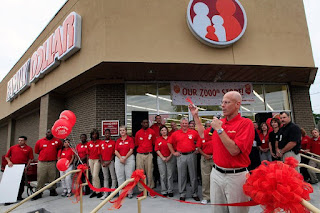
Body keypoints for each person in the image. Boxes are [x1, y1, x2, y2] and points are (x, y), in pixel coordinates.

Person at [190, 91, 254, 213]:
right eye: (222, 102)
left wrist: (219, 129)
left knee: (237, 211)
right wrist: (195, 116)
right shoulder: (220, 123)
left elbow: (234, 150)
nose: (223, 105)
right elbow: (203, 134)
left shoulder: (245, 123)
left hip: (236, 176)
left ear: (237, 104)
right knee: (217, 210)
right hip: (216, 173)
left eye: (227, 102)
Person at [167, 117, 200, 201]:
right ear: (180, 124)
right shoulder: (176, 133)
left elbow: (199, 140)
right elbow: (169, 143)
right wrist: (174, 153)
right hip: (181, 156)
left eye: (186, 123)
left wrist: (197, 149)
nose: (184, 125)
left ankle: (194, 193)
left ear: (188, 124)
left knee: (193, 175)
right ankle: (182, 193)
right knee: (182, 176)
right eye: (183, 123)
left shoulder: (193, 132)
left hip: (191, 155)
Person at [33, 129, 62, 200]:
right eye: (48, 132)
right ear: (46, 133)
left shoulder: (57, 141)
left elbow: (60, 149)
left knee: (53, 177)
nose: (50, 134)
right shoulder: (40, 141)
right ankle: (38, 192)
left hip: (52, 162)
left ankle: (53, 190)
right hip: (42, 163)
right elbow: (36, 151)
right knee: (41, 178)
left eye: (51, 132)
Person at [5, 136, 34, 202]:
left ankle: (19, 196)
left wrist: (27, 166)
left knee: (21, 183)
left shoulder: (29, 149)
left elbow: (30, 158)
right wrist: (9, 162)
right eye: (19, 140)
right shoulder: (13, 148)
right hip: (13, 167)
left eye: (21, 140)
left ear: (25, 141)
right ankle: (9, 198)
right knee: (12, 183)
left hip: (22, 167)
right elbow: (7, 156)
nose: (20, 142)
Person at [135, 119, 156, 198]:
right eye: (144, 123)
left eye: (147, 122)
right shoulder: (138, 133)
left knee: (150, 172)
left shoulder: (152, 132)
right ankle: (142, 190)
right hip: (140, 155)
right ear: (141, 123)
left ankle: (150, 189)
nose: (146, 124)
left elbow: (154, 143)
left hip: (149, 154)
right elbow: (136, 144)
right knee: (140, 173)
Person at [114, 125, 135, 198]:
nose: (122, 132)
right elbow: (116, 151)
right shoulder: (118, 140)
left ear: (126, 131)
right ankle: (122, 193)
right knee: (120, 176)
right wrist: (121, 158)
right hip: (119, 158)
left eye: (123, 130)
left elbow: (131, 150)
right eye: (120, 130)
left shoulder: (130, 139)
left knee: (129, 176)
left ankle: (129, 193)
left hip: (128, 158)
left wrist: (125, 158)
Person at [196, 124, 214, 204]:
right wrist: (205, 155)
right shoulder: (202, 136)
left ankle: (215, 197)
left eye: (210, 126)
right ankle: (206, 197)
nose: (208, 127)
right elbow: (199, 148)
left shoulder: (216, 134)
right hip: (205, 159)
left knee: (216, 179)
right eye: (206, 126)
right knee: (205, 178)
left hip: (215, 158)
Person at [155, 126, 174, 197]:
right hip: (161, 158)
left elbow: (173, 149)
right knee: (163, 175)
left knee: (170, 174)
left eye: (165, 130)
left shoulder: (170, 138)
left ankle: (170, 190)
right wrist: (162, 157)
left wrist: (169, 157)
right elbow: (157, 149)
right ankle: (164, 190)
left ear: (167, 131)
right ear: (160, 132)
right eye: (162, 130)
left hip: (170, 157)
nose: (164, 132)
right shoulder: (158, 139)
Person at [100, 129, 117, 200]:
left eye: (108, 133)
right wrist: (102, 162)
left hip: (111, 162)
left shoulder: (113, 142)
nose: (107, 134)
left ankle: (112, 192)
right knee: (106, 177)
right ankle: (106, 193)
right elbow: (99, 154)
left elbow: (114, 153)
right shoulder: (101, 143)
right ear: (104, 134)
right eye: (106, 133)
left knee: (113, 177)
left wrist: (110, 161)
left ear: (110, 134)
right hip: (103, 162)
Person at [87, 129, 103, 198]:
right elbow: (87, 153)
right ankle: (94, 190)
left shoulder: (100, 142)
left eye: (96, 134)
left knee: (95, 175)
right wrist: (88, 162)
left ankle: (98, 191)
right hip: (91, 160)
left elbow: (102, 151)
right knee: (92, 176)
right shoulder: (89, 143)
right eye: (93, 134)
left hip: (97, 160)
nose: (94, 135)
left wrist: (101, 159)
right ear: (91, 135)